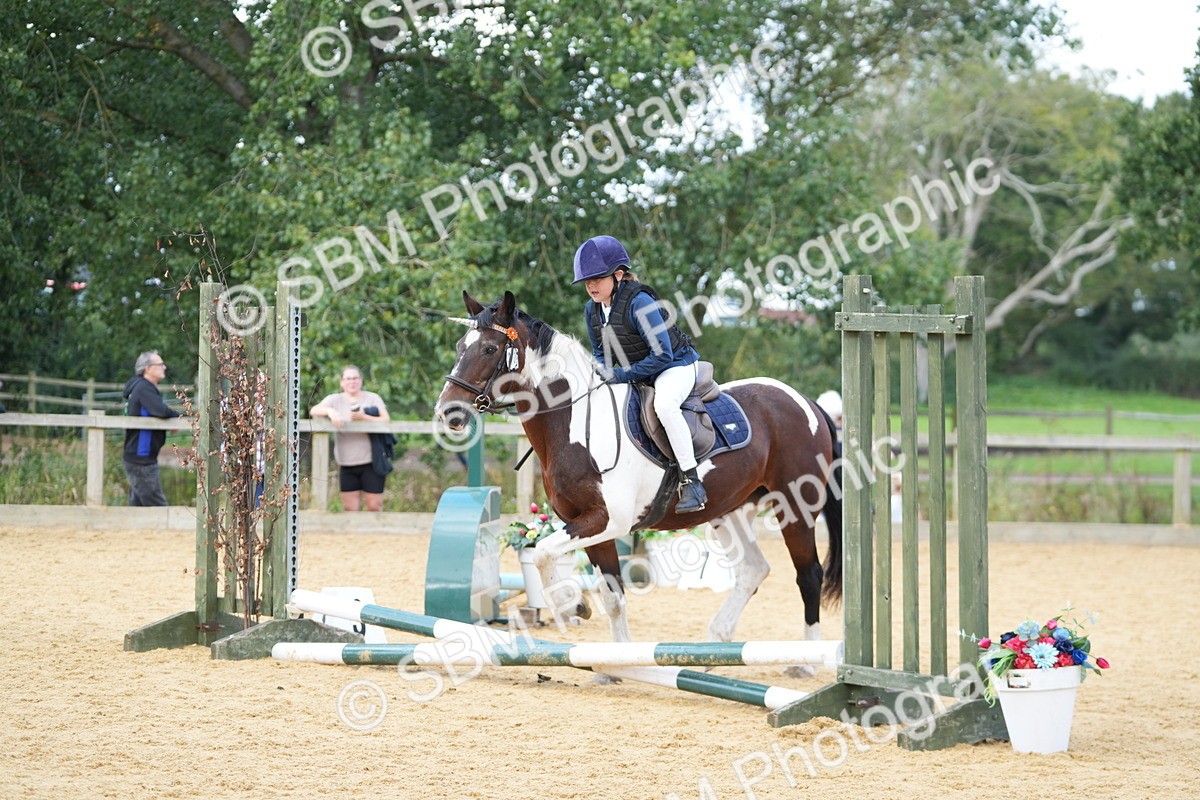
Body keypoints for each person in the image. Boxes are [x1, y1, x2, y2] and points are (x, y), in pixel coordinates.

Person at [574, 234, 707, 513]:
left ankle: (691, 481)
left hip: (676, 366)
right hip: (640, 370)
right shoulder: (592, 310)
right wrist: (601, 375)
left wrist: (620, 376)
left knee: (665, 406)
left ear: (619, 275)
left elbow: (662, 355)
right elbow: (600, 354)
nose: (590, 285)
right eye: (587, 280)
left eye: (597, 278)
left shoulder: (640, 302)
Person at [309, 365, 391, 512]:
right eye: (348, 378)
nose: (352, 382)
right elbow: (314, 410)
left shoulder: (372, 398)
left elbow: (386, 420)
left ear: (361, 380)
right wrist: (330, 411)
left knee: (374, 506)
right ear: (341, 382)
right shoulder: (334, 399)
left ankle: (371, 535)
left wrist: (364, 417)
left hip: (371, 462)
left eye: (355, 378)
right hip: (346, 463)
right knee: (350, 509)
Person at [123, 351, 181, 506]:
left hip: (138, 457)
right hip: (142, 458)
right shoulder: (143, 388)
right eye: (160, 364)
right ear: (148, 368)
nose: (164, 367)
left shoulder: (141, 387)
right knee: (158, 508)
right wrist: (177, 417)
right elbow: (160, 411)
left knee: (138, 508)